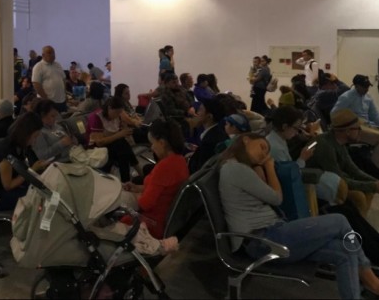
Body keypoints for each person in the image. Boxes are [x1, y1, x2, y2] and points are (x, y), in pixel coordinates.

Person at [218, 132, 379, 300]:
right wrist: (269, 166)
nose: (264, 155)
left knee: (345, 250)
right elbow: (276, 198)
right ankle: (372, 281)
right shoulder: (235, 169)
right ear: (246, 140)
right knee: (340, 220)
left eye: (267, 152)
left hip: (273, 234)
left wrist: (259, 166)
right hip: (263, 240)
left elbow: (266, 191)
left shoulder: (241, 168)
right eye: (262, 147)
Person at [121, 120, 189, 239]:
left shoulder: (164, 167)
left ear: (162, 143)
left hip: (151, 223)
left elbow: (145, 204)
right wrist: (137, 188)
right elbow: (162, 190)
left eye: (152, 143)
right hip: (164, 218)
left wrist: (133, 196)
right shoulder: (180, 161)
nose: (151, 148)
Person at [306, 108, 379, 217]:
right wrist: (373, 185)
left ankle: (360, 221)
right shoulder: (325, 146)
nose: (360, 131)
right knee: (358, 196)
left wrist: (374, 182)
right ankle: (356, 224)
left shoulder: (339, 142)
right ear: (347, 131)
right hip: (317, 184)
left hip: (334, 179)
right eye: (358, 128)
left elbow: (353, 169)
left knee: (369, 191)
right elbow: (339, 180)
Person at [0, 111, 51, 211]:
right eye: (34, 137)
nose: (35, 141)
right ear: (26, 134)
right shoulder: (6, 151)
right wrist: (31, 170)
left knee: (45, 189)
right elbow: (8, 185)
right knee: (37, 197)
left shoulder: (21, 147)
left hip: (15, 188)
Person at [88, 97, 138, 182]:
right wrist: (119, 134)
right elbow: (99, 143)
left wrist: (123, 131)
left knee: (122, 145)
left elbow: (117, 132)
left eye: (120, 112)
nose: (118, 115)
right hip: (96, 147)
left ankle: (127, 179)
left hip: (112, 143)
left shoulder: (116, 116)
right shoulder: (96, 117)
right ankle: (130, 176)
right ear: (109, 108)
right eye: (117, 112)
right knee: (122, 146)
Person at [31, 45, 67, 112]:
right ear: (43, 55)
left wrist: (64, 93)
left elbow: (63, 79)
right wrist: (45, 99)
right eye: (49, 53)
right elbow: (36, 84)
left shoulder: (58, 65)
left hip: (61, 100)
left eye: (53, 53)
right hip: (47, 102)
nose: (52, 55)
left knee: (62, 118)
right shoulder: (38, 67)